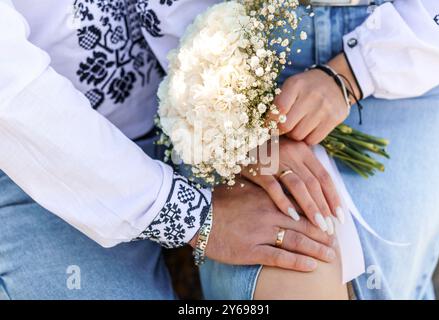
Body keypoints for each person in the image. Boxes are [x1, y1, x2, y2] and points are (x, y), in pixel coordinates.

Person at [0, 0, 340, 299]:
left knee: (302, 276)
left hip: (199, 113)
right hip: (40, 158)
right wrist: (194, 217)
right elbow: (13, 98)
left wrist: (244, 121)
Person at [200, 0, 439, 300]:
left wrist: (353, 72)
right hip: (240, 55)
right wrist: (235, 125)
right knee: (294, 277)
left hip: (411, 45)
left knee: (386, 276)